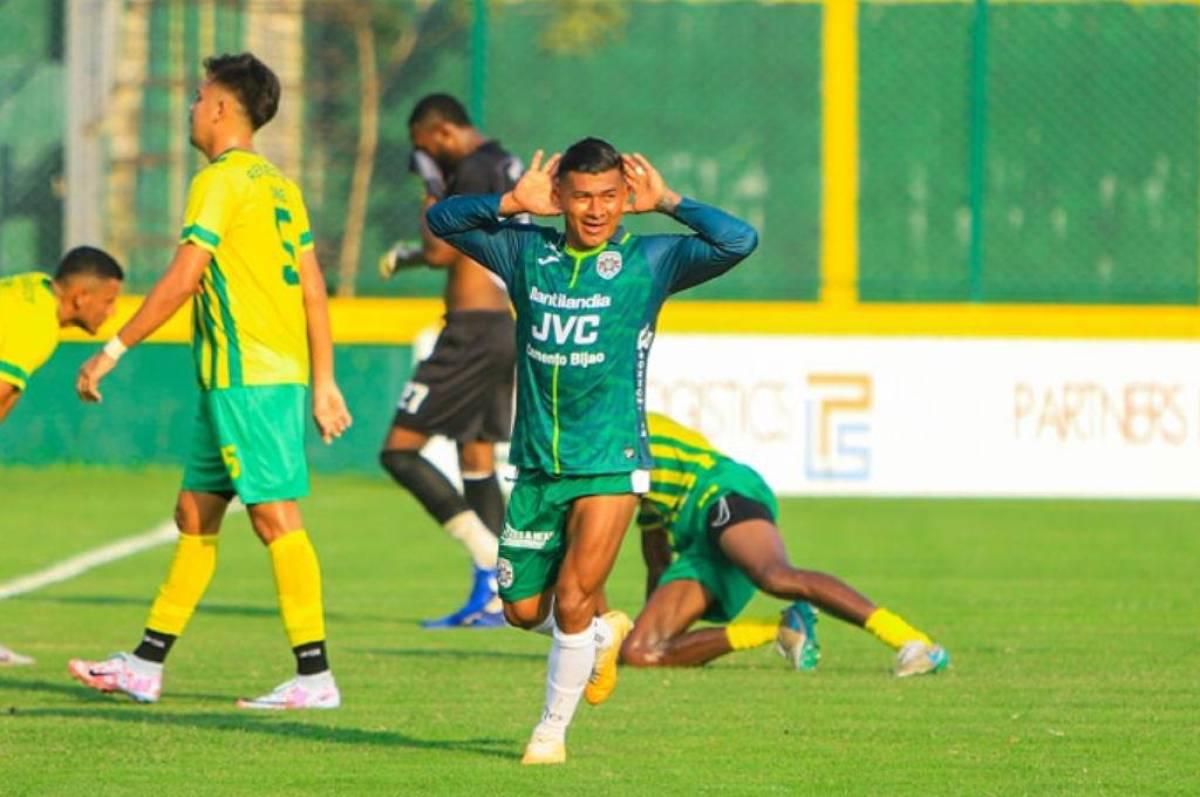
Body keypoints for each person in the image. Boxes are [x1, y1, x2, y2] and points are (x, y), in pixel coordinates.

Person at [425, 138, 758, 764]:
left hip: (611, 460)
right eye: (582, 197)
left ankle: (550, 732)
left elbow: (738, 240)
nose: (597, 210)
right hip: (536, 465)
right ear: (561, 198)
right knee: (525, 611)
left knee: (575, 596)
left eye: (610, 197)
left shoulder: (650, 261)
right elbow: (442, 221)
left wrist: (671, 203)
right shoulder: (525, 251)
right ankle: (600, 636)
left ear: (625, 199)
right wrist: (510, 202)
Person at [67, 52, 352, 710]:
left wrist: (112, 348)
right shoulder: (279, 185)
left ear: (224, 108)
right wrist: (325, 378)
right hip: (242, 379)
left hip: (247, 378)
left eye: (199, 97)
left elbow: (183, 277)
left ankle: (315, 675)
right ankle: (144, 663)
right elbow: (312, 286)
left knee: (276, 518)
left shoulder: (221, 180)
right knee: (194, 514)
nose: (191, 107)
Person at [620, 413, 950, 677]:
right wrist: (653, 621)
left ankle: (912, 641)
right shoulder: (629, 477)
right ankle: (780, 629)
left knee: (775, 576)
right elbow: (657, 563)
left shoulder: (627, 434)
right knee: (640, 651)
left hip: (719, 491)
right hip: (696, 542)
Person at [377, 94, 522, 628]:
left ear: (440, 133)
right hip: (498, 326)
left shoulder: (473, 167)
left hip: (472, 331)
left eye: (424, 149)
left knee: (399, 452)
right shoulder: (501, 163)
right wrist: (412, 254)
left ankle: (491, 561)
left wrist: (431, 190)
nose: (427, 160)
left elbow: (443, 249)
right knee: (476, 459)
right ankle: (505, 596)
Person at [0, 246, 125, 666]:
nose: (111, 313)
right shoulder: (37, 325)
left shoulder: (34, 288)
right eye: (108, 302)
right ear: (80, 298)